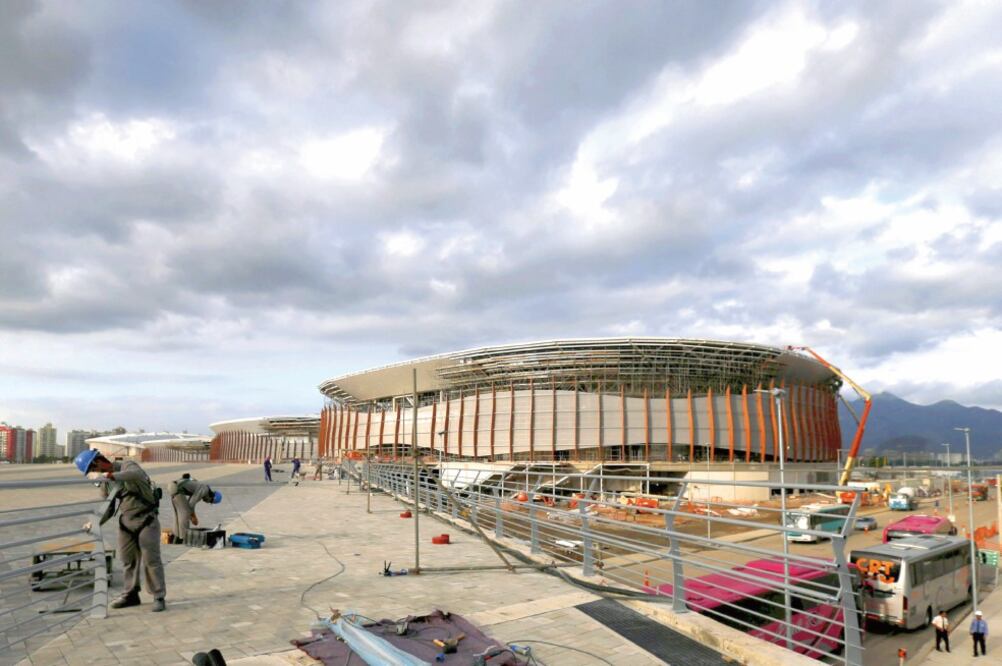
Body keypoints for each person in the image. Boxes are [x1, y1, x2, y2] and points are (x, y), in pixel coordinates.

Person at [74, 449, 166, 612]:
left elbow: (136, 474)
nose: (94, 474)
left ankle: (158, 596)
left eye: (92, 470)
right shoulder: (105, 483)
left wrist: (109, 476)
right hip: (126, 522)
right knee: (127, 560)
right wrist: (94, 523)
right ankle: (130, 595)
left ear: (98, 462)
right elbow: (108, 508)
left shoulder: (126, 465)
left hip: (147, 519)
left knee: (151, 560)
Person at [169, 473, 222, 544]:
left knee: (178, 515)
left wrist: (192, 515)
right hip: (177, 489)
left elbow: (189, 503)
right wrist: (193, 517)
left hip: (172, 486)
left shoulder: (201, 486)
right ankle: (183, 538)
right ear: (212, 496)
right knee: (185, 514)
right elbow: (191, 504)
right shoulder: (204, 489)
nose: (207, 501)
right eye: (210, 501)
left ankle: (176, 537)